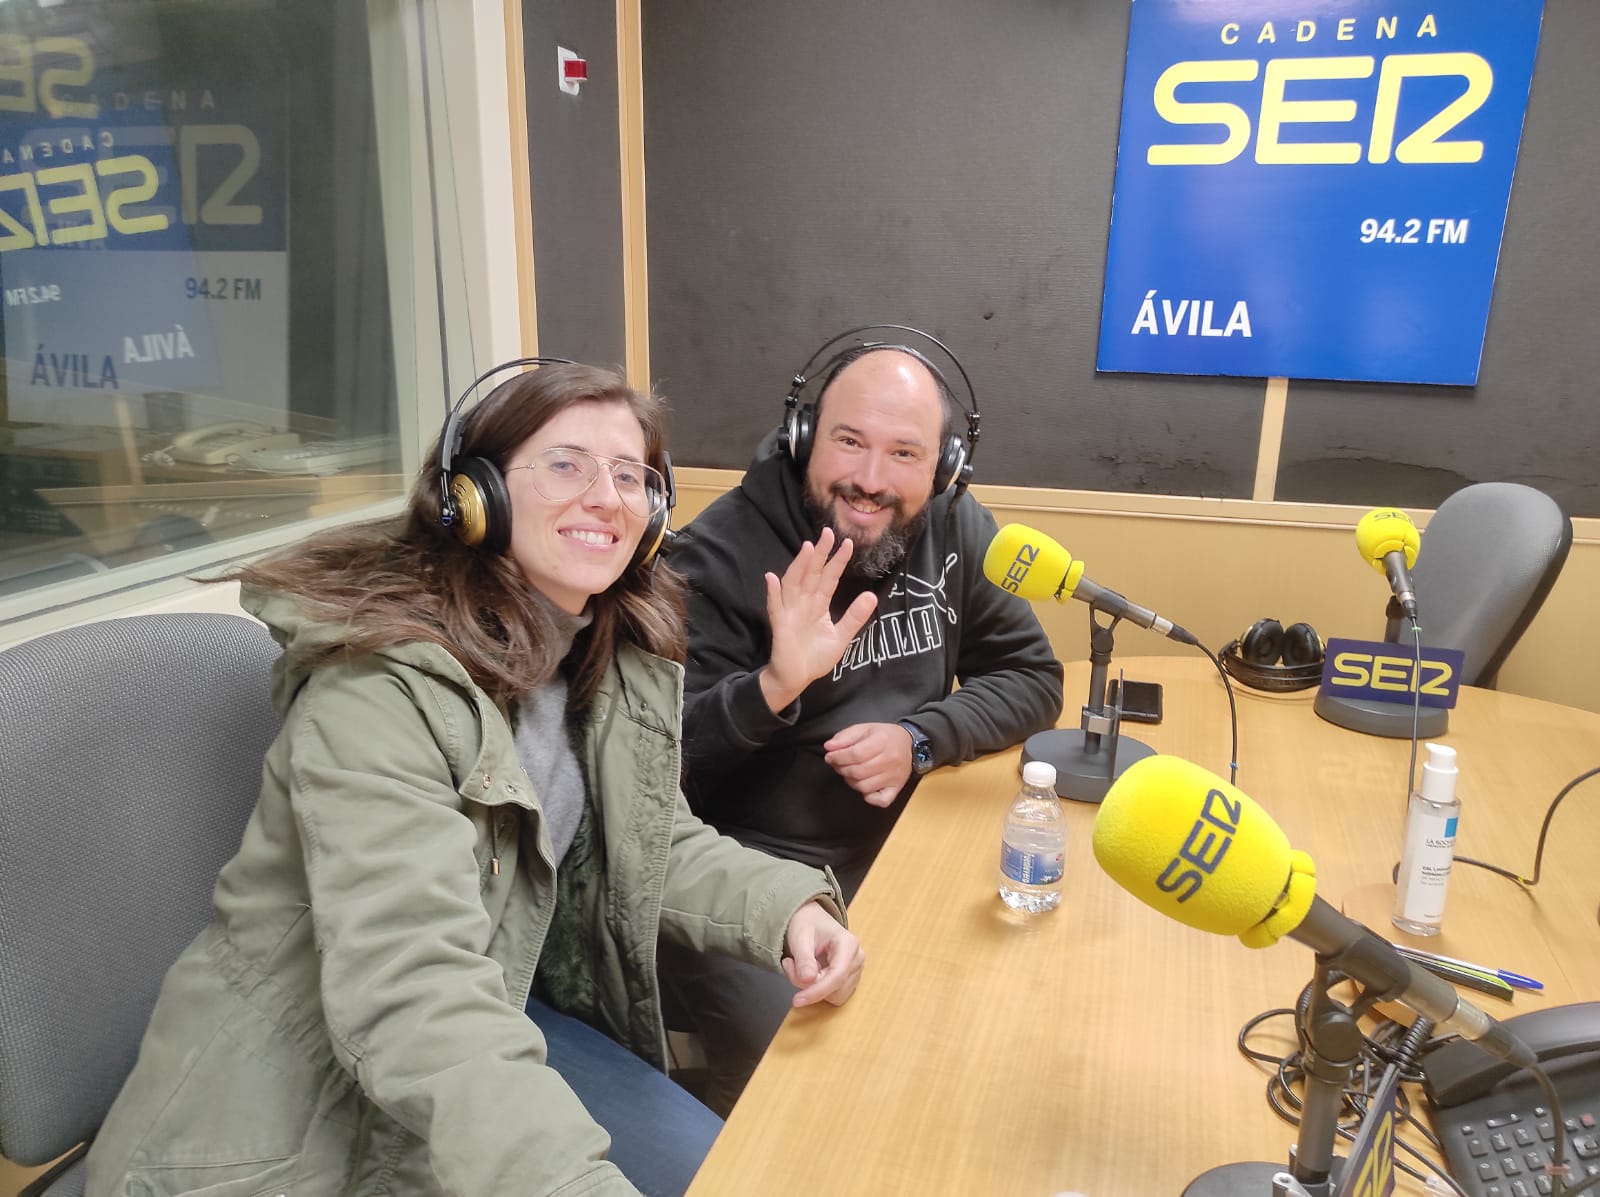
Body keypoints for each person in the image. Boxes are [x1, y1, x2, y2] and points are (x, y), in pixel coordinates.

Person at [85, 362, 864, 1197]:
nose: (607, 496)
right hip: (297, 1094)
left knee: (726, 1167)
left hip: (485, 1010)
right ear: (473, 493)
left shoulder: (600, 657)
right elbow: (412, 981)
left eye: (631, 475)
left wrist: (786, 907)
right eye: (565, 464)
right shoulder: (379, 683)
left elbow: (651, 841)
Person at [659, 337, 1062, 1114]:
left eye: (904, 452)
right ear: (804, 435)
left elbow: (1033, 676)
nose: (871, 480)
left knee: (1005, 1030)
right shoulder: (713, 558)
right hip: (753, 882)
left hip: (908, 854)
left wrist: (922, 738)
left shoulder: (953, 522)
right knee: (820, 1093)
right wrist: (773, 687)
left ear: (943, 466)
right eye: (849, 441)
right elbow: (658, 763)